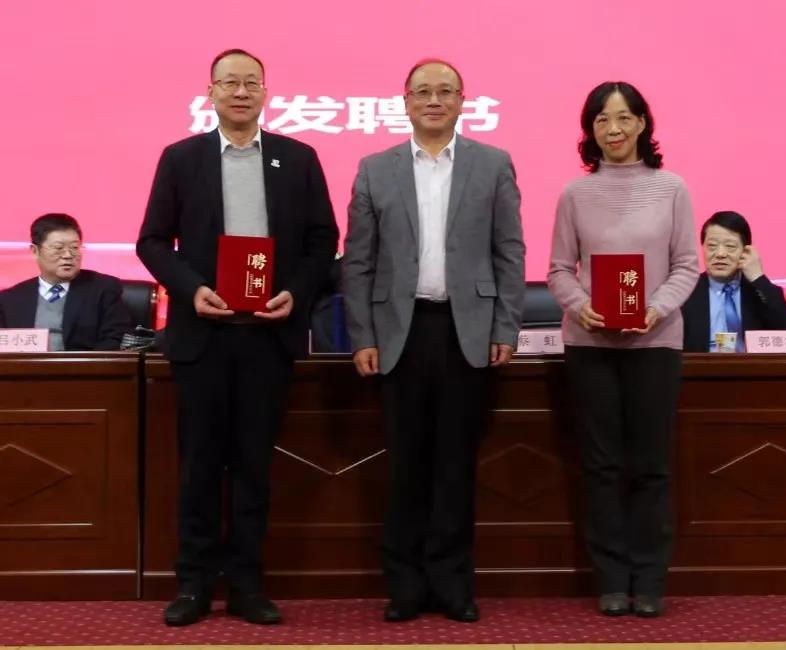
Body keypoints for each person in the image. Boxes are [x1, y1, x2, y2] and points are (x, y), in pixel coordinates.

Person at [137, 48, 338, 627]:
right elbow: (152, 242)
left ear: (266, 92)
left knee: (254, 465)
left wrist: (295, 293)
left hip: (268, 337)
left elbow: (323, 239)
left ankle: (247, 584)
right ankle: (194, 584)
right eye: (230, 83)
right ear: (211, 92)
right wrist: (192, 289)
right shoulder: (182, 158)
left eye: (252, 82)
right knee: (200, 465)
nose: (242, 91)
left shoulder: (298, 158)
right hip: (203, 335)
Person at [342, 58, 525, 623]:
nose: (434, 100)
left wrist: (505, 326)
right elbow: (358, 261)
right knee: (405, 464)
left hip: (466, 331)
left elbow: (509, 251)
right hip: (398, 332)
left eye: (446, 91)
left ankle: (452, 584)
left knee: (455, 464)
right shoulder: (376, 169)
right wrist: (361, 334)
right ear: (405, 102)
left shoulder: (493, 164)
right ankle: (404, 585)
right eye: (423, 92)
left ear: (463, 101)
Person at [547, 81, 698, 618]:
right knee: (602, 466)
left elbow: (687, 265)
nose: (613, 129)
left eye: (623, 118)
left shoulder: (672, 188)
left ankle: (649, 580)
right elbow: (559, 270)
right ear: (590, 130)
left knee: (651, 466)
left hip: (654, 342)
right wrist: (580, 304)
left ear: (641, 124)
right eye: (601, 120)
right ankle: (612, 579)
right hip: (590, 344)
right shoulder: (575, 193)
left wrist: (656, 307)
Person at [0, 213, 131, 350]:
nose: (68, 255)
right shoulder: (10, 299)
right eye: (58, 248)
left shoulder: (103, 289)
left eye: (75, 247)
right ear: (35, 251)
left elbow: (117, 339)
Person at [682, 210, 786, 351]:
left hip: (753, 365)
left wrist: (758, 278)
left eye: (730, 246)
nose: (720, 254)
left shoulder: (760, 292)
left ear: (746, 251)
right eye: (712, 246)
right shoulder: (686, 292)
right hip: (700, 365)